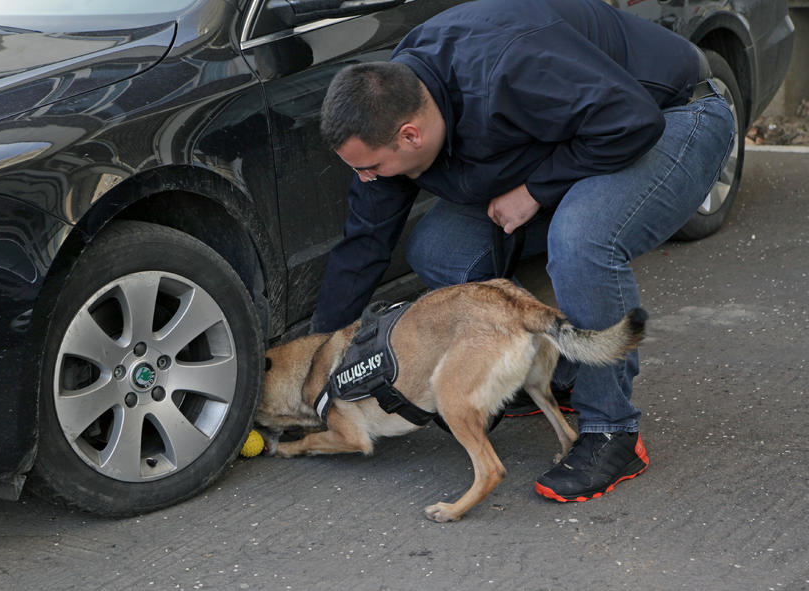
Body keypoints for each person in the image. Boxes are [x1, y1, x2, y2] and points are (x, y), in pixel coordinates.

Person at [311, 0, 734, 502]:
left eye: (372, 168)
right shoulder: (391, 108)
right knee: (439, 248)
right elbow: (364, 243)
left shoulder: (508, 66)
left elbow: (632, 121)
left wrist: (534, 191)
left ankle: (611, 431)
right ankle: (556, 376)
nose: (366, 180)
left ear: (411, 134)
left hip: (672, 118)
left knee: (580, 240)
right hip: (573, 142)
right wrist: (319, 372)